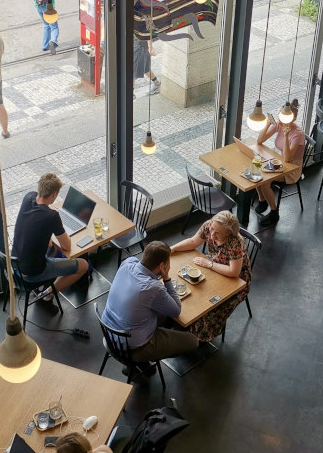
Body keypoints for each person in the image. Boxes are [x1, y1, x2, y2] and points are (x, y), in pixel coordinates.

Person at [101, 241, 199, 368]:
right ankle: (141, 359)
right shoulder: (153, 288)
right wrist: (167, 278)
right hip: (133, 347)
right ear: (162, 265)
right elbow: (176, 310)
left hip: (111, 334)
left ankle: (142, 366)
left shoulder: (127, 263)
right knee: (193, 341)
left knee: (159, 312)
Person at [169, 210, 251, 341]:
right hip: (214, 266)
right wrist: (171, 249)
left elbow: (234, 272)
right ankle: (189, 328)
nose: (212, 234)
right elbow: (193, 242)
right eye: (212, 229)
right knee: (192, 293)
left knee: (211, 309)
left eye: (218, 233)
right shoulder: (209, 225)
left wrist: (209, 265)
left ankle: (200, 337)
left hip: (237, 281)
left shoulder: (236, 242)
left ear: (228, 234)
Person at [12, 172, 89, 296]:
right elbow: (66, 246)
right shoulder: (51, 216)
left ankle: (46, 283)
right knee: (83, 265)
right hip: (32, 274)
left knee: (51, 245)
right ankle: (47, 293)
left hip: (15, 265)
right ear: (54, 194)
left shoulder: (28, 197)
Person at [253, 98, 307, 228]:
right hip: (279, 161)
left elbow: (288, 158)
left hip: (292, 169)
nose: (280, 121)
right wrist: (267, 124)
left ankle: (273, 212)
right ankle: (262, 200)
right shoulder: (279, 124)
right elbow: (259, 141)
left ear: (292, 119)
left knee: (264, 180)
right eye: (280, 116)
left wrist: (287, 136)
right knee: (256, 167)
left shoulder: (297, 134)